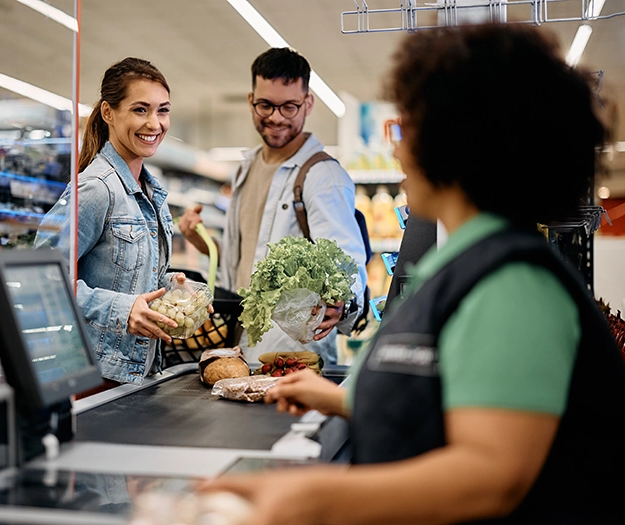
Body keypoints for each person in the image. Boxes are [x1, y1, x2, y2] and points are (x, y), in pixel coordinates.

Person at [202, 24, 625, 523]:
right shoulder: (469, 262)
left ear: (461, 143)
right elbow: (452, 400)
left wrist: (313, 499)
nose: (398, 150)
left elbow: (492, 475)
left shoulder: (514, 285)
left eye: (410, 129)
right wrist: (342, 399)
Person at [178, 47, 368, 365]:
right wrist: (204, 242)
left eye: (289, 106)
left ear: (308, 104)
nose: (276, 117)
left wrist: (341, 303)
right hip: (238, 346)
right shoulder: (246, 167)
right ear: (252, 100)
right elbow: (249, 263)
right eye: (266, 105)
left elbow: (346, 263)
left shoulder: (323, 176)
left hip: (292, 356)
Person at [35, 57, 188, 386]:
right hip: (93, 377)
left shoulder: (151, 193)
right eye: (140, 110)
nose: (154, 123)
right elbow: (42, 279)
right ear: (108, 113)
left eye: (163, 110)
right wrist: (122, 309)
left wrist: (170, 288)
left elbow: (126, 278)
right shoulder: (96, 189)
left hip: (137, 375)